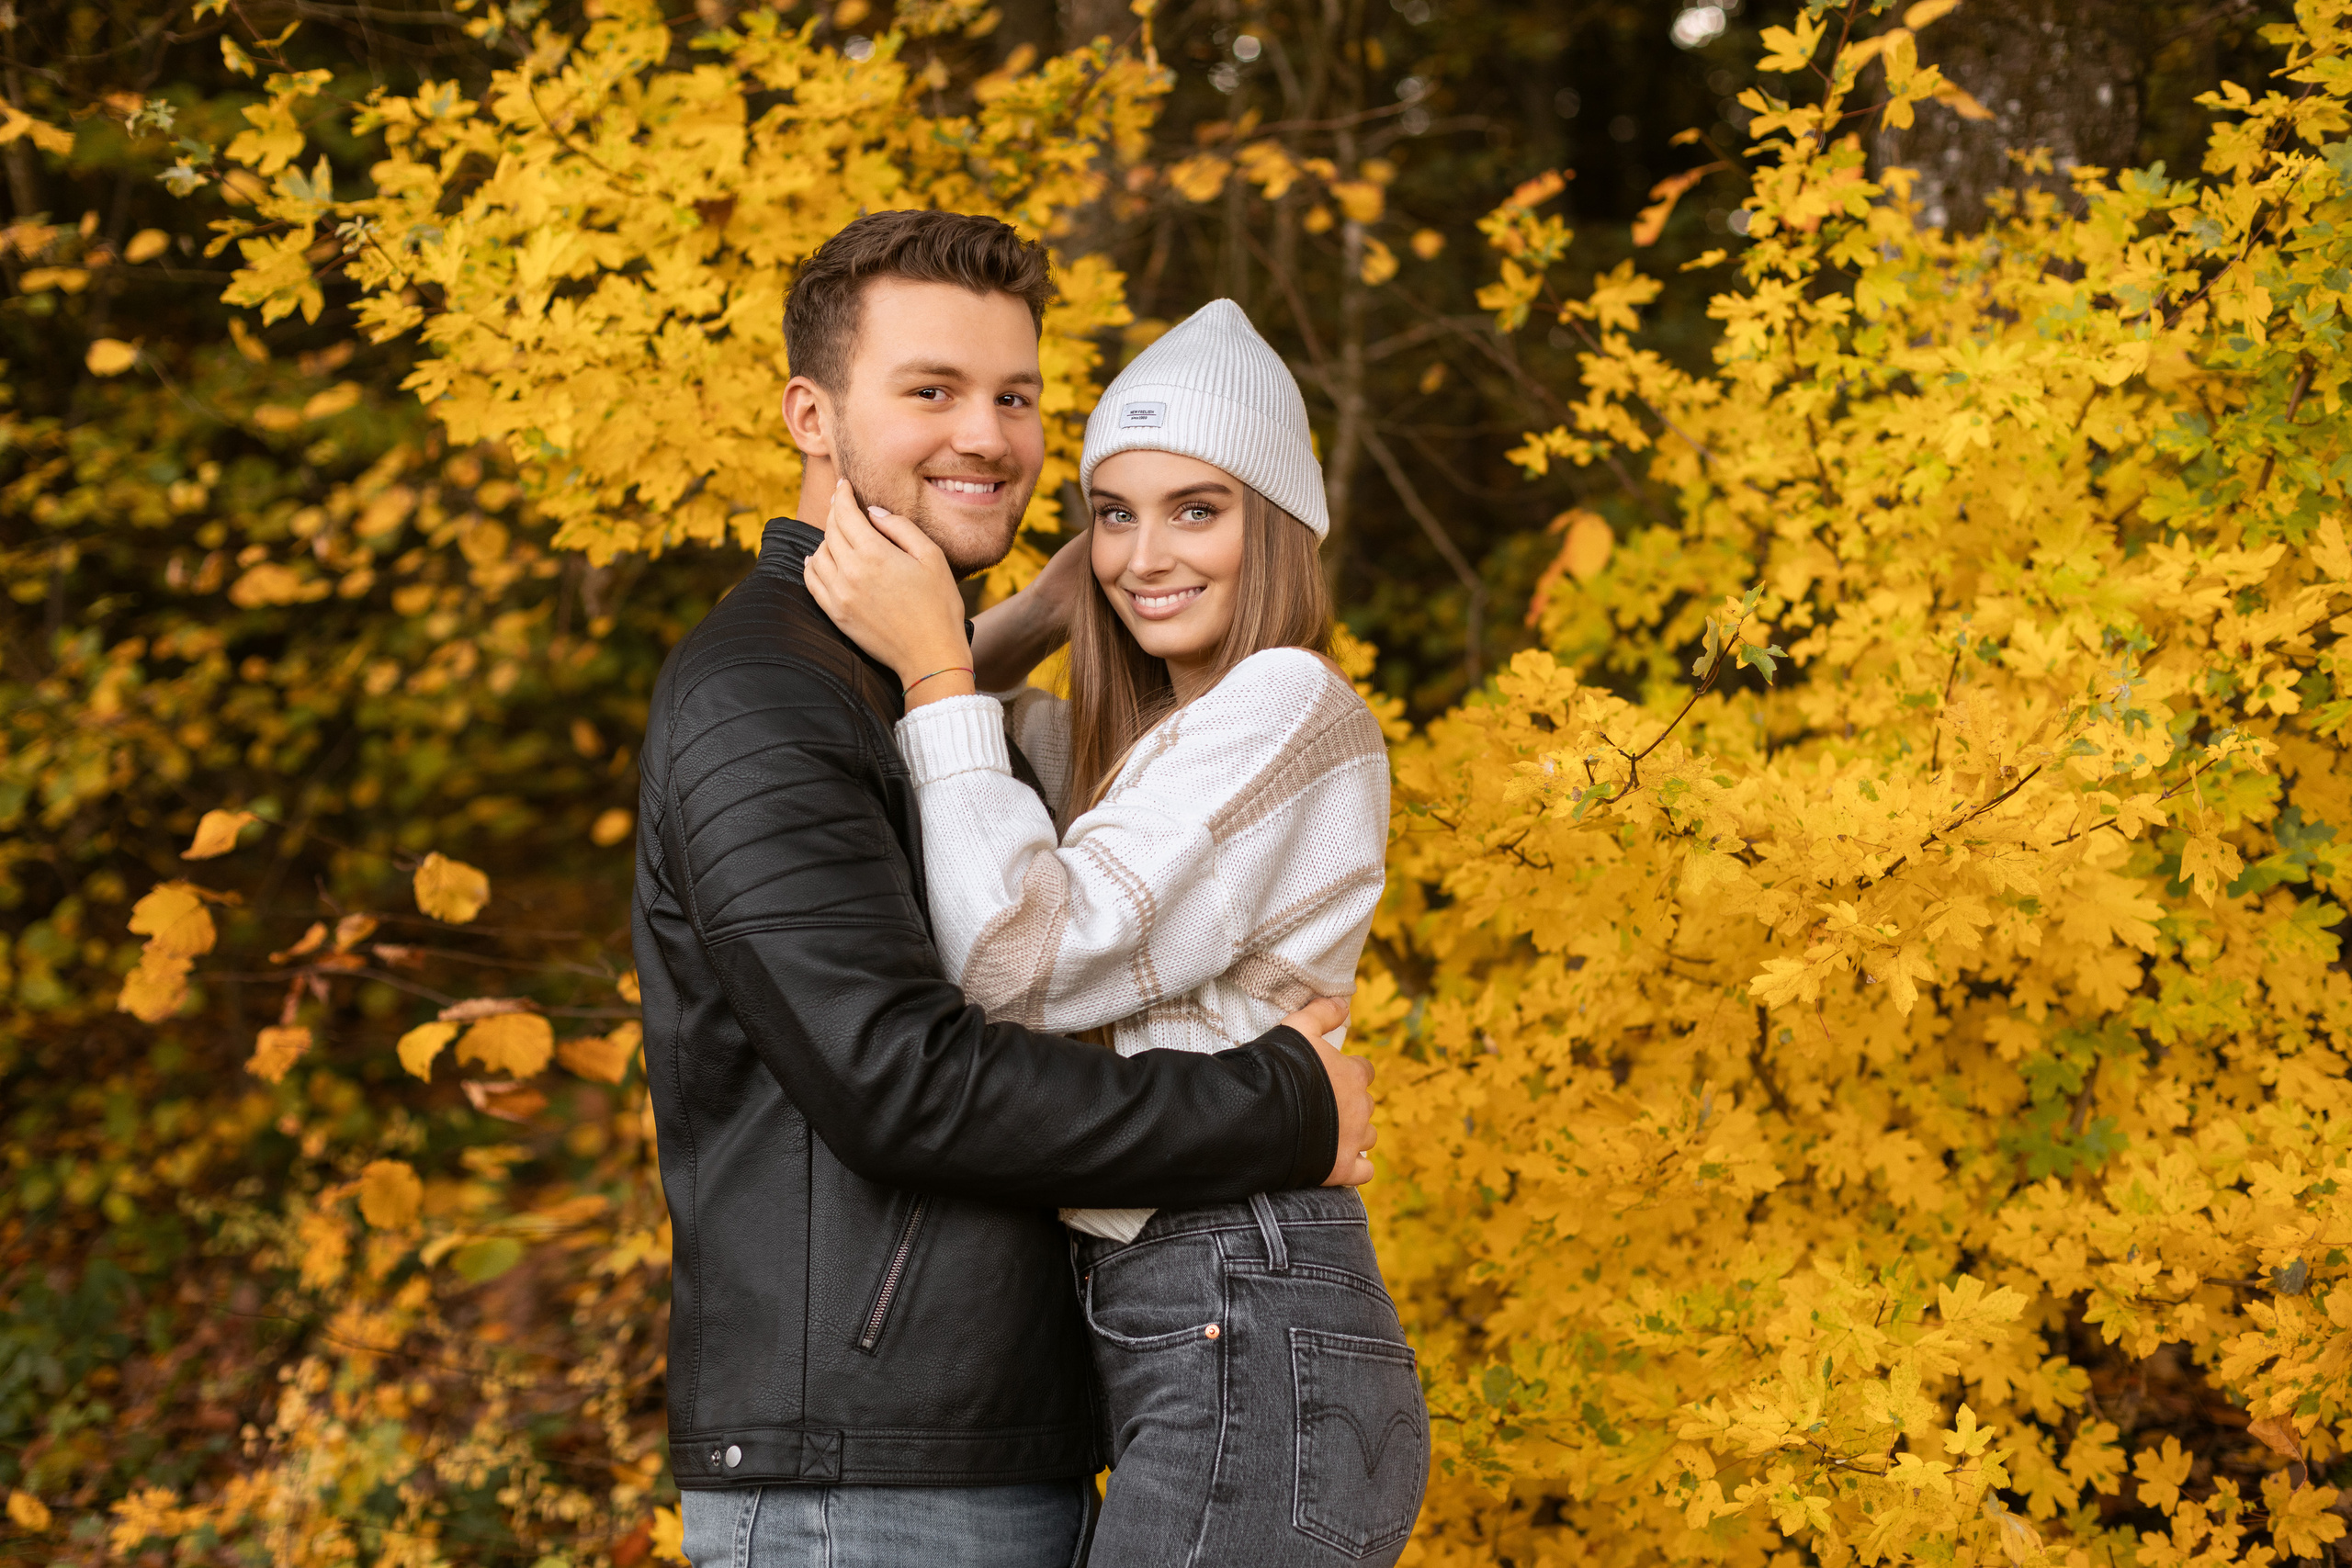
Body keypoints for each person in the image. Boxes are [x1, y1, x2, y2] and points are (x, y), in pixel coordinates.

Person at [631, 212, 1381, 1568]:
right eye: (931, 391)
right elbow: (903, 1082)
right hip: (863, 1474)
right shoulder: (760, 696)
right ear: (811, 413)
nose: (986, 434)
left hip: (1019, 1427)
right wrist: (1274, 1105)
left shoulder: (920, 688)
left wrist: (1001, 633)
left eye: (1016, 396)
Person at [805, 298, 1429, 1567]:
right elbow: (908, 771)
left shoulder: (1287, 705)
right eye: (1115, 515)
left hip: (1239, 1296)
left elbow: (1013, 954)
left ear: (1281, 528)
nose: (1149, 553)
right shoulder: (1140, 753)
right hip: (1191, 1303)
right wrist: (1033, 619)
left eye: (1199, 509)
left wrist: (941, 666)